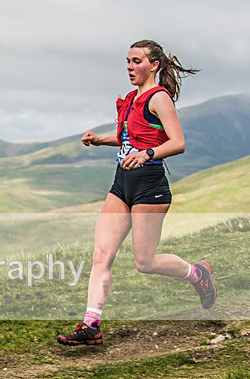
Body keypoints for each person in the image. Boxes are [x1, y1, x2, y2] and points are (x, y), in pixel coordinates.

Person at [58, 39, 215, 346]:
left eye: (137, 61)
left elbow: (178, 142)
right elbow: (129, 137)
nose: (130, 67)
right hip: (122, 183)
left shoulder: (159, 98)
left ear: (154, 65)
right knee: (101, 254)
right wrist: (102, 140)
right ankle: (91, 325)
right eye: (128, 61)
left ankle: (197, 273)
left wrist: (148, 154)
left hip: (150, 185)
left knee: (145, 262)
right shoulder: (131, 98)